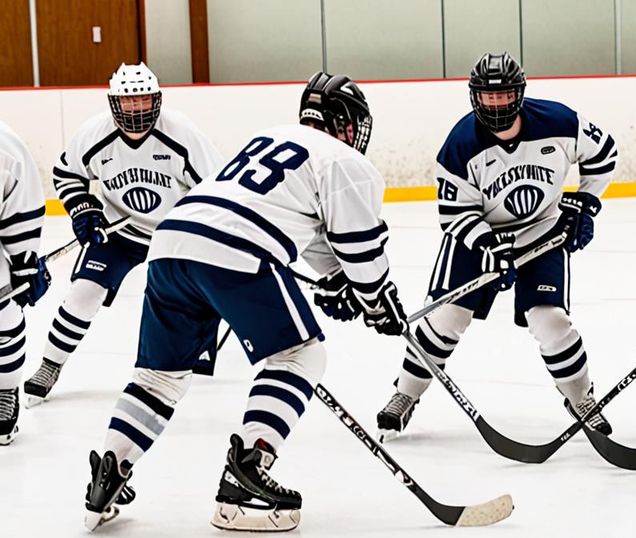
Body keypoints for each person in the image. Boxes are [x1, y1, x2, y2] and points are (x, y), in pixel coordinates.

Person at [82, 72, 408, 532]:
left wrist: (338, 281)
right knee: (300, 354)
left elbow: (314, 236)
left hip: (171, 244)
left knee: (159, 375)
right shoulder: (344, 160)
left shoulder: (269, 137)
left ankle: (110, 468)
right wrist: (377, 298)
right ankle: (248, 469)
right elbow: (358, 244)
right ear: (350, 126)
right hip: (235, 251)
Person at [376, 52, 618, 439]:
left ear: (519, 94)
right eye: (488, 98)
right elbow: (454, 215)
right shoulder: (460, 144)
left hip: (541, 231)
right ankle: (405, 394)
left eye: (504, 96)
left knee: (551, 321)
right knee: (446, 319)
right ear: (475, 98)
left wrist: (585, 204)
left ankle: (581, 398)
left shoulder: (559, 122)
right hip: (478, 235)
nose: (496, 105)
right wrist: (489, 246)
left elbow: (604, 153)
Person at [22, 63, 222, 405]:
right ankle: (50, 364)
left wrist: (202, 229)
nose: (136, 109)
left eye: (143, 100)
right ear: (114, 103)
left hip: (173, 234)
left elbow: (218, 185)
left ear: (156, 100)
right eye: (129, 102)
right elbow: (66, 174)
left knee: (199, 296)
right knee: (83, 294)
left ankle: (197, 353)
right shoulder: (94, 134)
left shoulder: (180, 133)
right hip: (119, 232)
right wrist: (84, 209)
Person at [0, 121, 51, 445]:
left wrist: (22, 261)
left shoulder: (5, 148)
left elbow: (22, 204)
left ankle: (4, 389)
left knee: (2, 316)